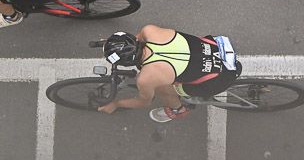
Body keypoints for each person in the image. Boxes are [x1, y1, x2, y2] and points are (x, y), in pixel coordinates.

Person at [96, 26, 242, 122]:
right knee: (168, 76)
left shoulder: (146, 78)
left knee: (163, 89)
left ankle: (178, 109)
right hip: (216, 49)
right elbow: (136, 39)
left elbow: (144, 102)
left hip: (218, 78)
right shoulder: (149, 30)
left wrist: (116, 104)